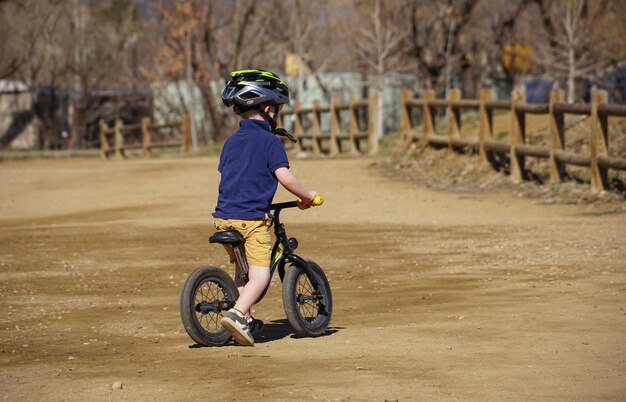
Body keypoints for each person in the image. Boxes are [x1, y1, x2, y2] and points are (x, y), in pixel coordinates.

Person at [214, 69, 318, 346]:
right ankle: (237, 313)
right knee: (260, 275)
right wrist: (307, 196)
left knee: (243, 272)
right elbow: (284, 177)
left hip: (224, 218)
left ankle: (245, 318)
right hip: (251, 220)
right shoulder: (270, 141)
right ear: (269, 109)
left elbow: (223, 178)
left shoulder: (230, 142)